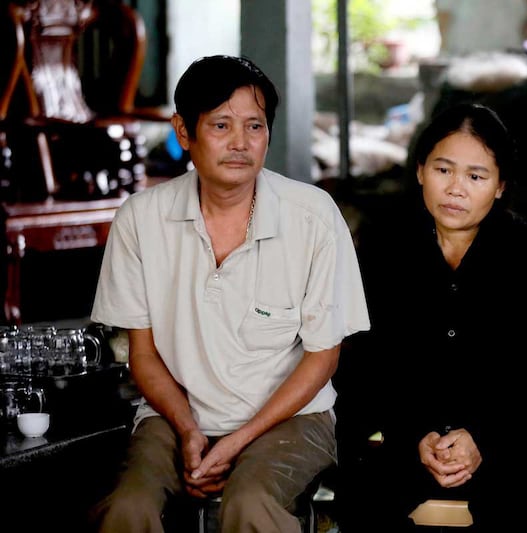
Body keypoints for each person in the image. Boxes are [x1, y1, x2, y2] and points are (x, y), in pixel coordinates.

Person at [89, 55, 370, 532]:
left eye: (255, 126)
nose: (240, 143)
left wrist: (237, 440)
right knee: (128, 509)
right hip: (173, 415)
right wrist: (188, 429)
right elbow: (143, 354)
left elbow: (323, 358)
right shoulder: (140, 219)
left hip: (289, 420)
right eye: (221, 125)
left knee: (250, 503)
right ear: (184, 132)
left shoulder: (312, 216)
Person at [335, 102, 527, 532]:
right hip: (414, 441)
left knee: (505, 507)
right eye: (443, 170)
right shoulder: (385, 248)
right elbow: (365, 365)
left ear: (500, 186)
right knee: (359, 498)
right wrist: (416, 437)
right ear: (419, 171)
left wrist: (483, 438)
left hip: (516, 443)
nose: (456, 189)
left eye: (476, 176)